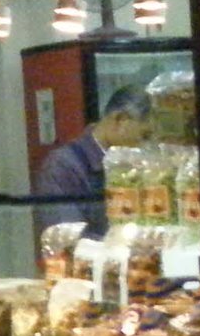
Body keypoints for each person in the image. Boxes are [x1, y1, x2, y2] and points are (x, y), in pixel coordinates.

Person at [34, 85, 152, 238]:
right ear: (120, 120)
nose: (146, 146)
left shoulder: (140, 168)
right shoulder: (63, 166)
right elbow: (66, 237)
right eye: (145, 136)